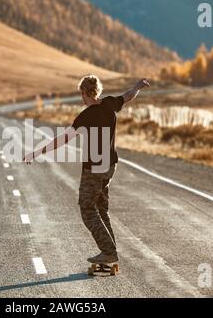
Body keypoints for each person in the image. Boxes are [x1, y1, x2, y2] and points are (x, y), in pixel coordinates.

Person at [23, 75, 150, 264]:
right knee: (101, 207)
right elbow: (128, 95)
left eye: (81, 93)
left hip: (94, 169)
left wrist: (37, 152)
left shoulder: (86, 116)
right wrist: (138, 85)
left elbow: (63, 140)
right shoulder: (109, 104)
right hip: (110, 166)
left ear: (84, 92)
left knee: (87, 208)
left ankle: (108, 251)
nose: (81, 97)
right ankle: (110, 250)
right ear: (97, 90)